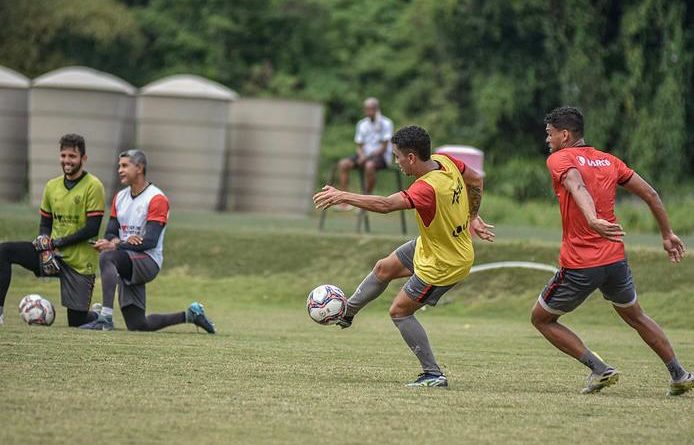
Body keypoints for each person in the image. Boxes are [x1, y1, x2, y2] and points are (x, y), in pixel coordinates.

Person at [314, 125, 495, 387]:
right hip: (432, 245)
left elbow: (386, 205)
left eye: (398, 156)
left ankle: (433, 374)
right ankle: (347, 312)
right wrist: (473, 216)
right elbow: (476, 179)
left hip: (445, 263)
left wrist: (344, 195)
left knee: (400, 312)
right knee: (383, 268)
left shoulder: (426, 188)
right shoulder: (445, 161)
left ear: (411, 157)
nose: (396, 162)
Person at [531, 106, 692, 396]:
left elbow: (575, 184)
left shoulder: (560, 159)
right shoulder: (609, 161)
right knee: (636, 316)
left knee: (541, 319)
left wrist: (592, 219)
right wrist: (667, 233)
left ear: (564, 135)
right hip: (615, 259)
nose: (548, 140)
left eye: (550, 134)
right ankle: (679, 374)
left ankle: (600, 369)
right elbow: (651, 194)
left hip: (580, 263)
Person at [79, 149, 215, 333]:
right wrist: (117, 241)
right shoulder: (120, 197)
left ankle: (105, 318)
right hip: (126, 258)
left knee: (107, 257)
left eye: (125, 165)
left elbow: (149, 241)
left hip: (148, 261)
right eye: (119, 166)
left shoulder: (156, 198)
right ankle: (190, 315)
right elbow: (110, 231)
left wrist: (116, 244)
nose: (119, 170)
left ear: (140, 168)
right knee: (138, 325)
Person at [0, 134, 104, 327]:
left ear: (84, 158)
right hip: (51, 256)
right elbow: (45, 223)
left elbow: (92, 229)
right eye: (63, 155)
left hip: (80, 263)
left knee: (77, 322)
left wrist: (55, 243)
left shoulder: (93, 186)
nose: (67, 160)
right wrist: (44, 240)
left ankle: (97, 315)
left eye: (72, 156)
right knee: (4, 251)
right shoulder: (51, 186)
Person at [335, 97, 394, 206]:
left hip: (380, 157)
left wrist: (366, 157)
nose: (368, 112)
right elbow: (359, 145)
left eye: (371, 109)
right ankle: (343, 200)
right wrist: (362, 155)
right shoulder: (361, 124)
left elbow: (384, 147)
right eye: (366, 109)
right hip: (364, 156)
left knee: (369, 166)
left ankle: (367, 200)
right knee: (343, 164)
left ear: (377, 109)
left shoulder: (386, 123)